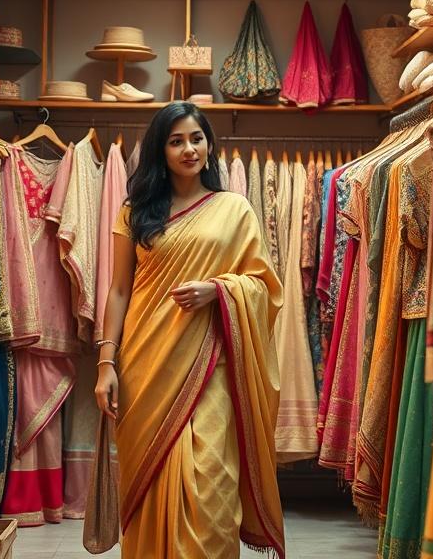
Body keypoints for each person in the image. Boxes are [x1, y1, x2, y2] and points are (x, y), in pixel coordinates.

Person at [94, 102, 286, 558]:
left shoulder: (234, 209)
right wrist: (106, 364)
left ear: (210, 144)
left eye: (196, 138)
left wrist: (219, 290)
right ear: (161, 150)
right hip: (146, 364)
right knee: (152, 486)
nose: (188, 149)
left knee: (211, 490)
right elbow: (119, 291)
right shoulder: (135, 213)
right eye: (176, 140)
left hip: (211, 365)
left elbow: (264, 287)